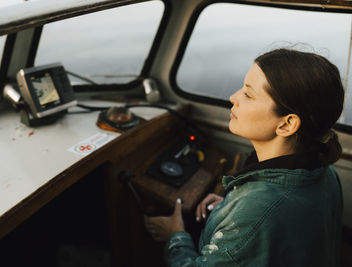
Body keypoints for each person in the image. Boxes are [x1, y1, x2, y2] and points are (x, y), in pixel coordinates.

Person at [144, 48, 344, 266]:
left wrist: (176, 236)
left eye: (248, 94)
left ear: (286, 124)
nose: (233, 97)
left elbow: (263, 216)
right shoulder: (325, 171)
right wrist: (228, 207)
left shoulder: (256, 214)